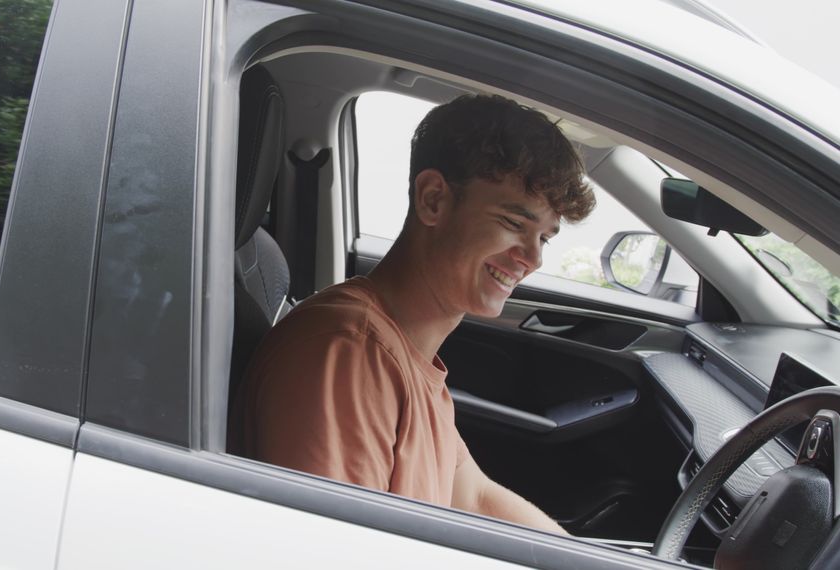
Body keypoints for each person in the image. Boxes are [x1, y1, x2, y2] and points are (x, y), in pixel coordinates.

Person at [234, 94, 595, 534]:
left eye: (545, 238)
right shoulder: (349, 354)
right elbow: (330, 551)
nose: (531, 258)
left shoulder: (404, 354)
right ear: (433, 200)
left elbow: (476, 497)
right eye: (514, 223)